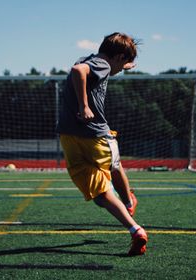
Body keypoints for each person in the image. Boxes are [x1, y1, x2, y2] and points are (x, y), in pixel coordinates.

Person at [57, 32, 147, 256]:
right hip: (95, 135)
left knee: (100, 193)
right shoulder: (103, 64)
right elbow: (80, 72)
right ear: (117, 57)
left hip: (69, 136)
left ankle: (135, 230)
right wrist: (84, 105)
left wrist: (124, 66)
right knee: (114, 166)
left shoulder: (90, 59)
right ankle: (127, 201)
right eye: (123, 63)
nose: (120, 69)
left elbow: (82, 68)